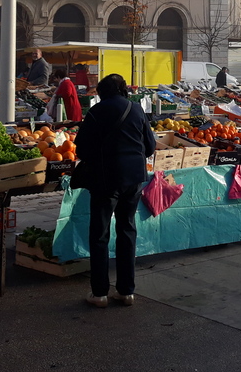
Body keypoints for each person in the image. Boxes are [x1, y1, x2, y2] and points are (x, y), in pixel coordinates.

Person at [75, 73, 156, 308]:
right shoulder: (136, 110)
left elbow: (82, 149)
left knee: (99, 234)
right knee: (127, 230)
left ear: (102, 92)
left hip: (104, 179)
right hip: (133, 179)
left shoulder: (96, 113)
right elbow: (150, 147)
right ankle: (126, 291)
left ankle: (99, 293)